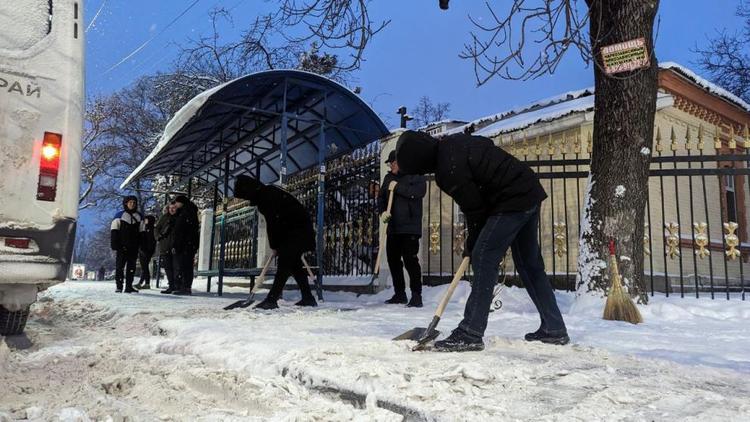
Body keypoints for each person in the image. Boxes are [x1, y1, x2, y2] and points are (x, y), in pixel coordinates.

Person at [395, 130, 569, 352]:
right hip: (528, 190)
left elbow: (476, 210)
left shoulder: (447, 170)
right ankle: (554, 328)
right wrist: (473, 240)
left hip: (510, 200)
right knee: (529, 264)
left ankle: (470, 332)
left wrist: (473, 245)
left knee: (483, 257)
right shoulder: (453, 144)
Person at [233, 175, 317, 310]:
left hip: (297, 231)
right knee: (294, 264)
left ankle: (272, 300)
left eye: (244, 195)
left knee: (284, 263)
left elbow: (273, 223)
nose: (245, 199)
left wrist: (275, 245)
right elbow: (276, 222)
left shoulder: (267, 196)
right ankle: (308, 298)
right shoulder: (265, 194)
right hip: (295, 231)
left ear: (248, 190)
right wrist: (277, 244)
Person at [379, 150, 427, 307]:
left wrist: (398, 187)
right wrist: (383, 212)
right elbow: (381, 198)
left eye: (393, 162)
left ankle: (416, 295)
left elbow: (418, 193)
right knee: (393, 261)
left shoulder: (416, 175)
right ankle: (399, 293)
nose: (391, 166)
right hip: (393, 227)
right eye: (390, 163)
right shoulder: (388, 178)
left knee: (410, 261)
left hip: (410, 227)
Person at [110, 195, 144, 293]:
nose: (132, 204)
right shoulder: (119, 216)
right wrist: (115, 244)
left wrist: (142, 244)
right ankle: (119, 286)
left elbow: (142, 232)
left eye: (134, 202)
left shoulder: (139, 216)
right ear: (126, 203)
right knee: (120, 266)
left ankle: (129, 286)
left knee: (131, 267)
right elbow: (114, 231)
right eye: (130, 202)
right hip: (122, 246)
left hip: (134, 246)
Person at [171, 195, 200, 295]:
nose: (176, 204)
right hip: (187, 243)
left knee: (185, 266)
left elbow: (182, 230)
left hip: (186, 244)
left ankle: (185, 287)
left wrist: (178, 243)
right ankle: (183, 286)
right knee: (183, 265)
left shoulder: (187, 212)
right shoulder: (185, 212)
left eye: (177, 202)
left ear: (181, 202)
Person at [155, 202, 178, 294]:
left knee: (176, 267)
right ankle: (171, 286)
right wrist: (159, 237)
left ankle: (176, 286)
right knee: (168, 267)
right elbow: (156, 228)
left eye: (174, 208)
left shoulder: (179, 218)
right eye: (170, 208)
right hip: (165, 245)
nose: (172, 210)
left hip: (175, 246)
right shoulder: (164, 217)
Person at [135, 215, 156, 290]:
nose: (145, 221)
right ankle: (141, 283)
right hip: (144, 250)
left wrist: (146, 250)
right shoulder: (147, 228)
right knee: (144, 267)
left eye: (146, 220)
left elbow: (150, 242)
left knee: (145, 267)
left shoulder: (150, 229)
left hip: (146, 251)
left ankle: (147, 283)